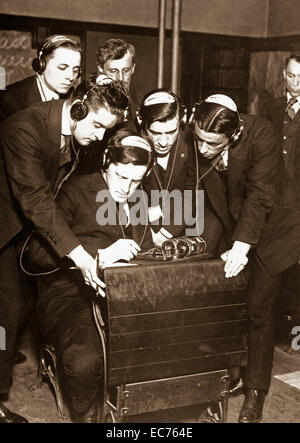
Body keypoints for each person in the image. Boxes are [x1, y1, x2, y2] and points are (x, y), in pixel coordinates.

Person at [0, 75, 128, 423]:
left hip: (16, 231)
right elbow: (36, 199)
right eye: (98, 125)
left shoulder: (71, 133)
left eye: (107, 130)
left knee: (10, 312)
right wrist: (82, 256)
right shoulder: (24, 127)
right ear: (79, 107)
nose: (99, 137)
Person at [191, 94, 300, 423]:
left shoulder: (262, 133)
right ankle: (234, 374)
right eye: (198, 139)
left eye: (212, 144)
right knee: (227, 306)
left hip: (277, 231)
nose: (202, 149)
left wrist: (241, 246)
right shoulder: (197, 136)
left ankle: (256, 393)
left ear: (233, 135)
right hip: (235, 226)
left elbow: (259, 195)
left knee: (258, 311)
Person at [35, 128, 154, 422]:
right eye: (120, 177)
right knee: (85, 362)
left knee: (169, 345)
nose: (127, 189)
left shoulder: (138, 197)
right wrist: (97, 257)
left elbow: (146, 250)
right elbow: (35, 256)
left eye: (136, 181)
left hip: (126, 296)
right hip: (72, 295)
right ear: (106, 163)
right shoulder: (75, 191)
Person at [261, 52, 300, 343]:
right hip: (276, 202)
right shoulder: (271, 108)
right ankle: (278, 328)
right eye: (290, 76)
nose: (295, 83)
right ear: (283, 75)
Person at [137, 88, 196, 246]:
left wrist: (164, 233)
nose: (164, 142)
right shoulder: (132, 144)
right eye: (156, 133)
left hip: (182, 226)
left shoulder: (193, 144)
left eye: (171, 132)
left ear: (181, 122)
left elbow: (193, 195)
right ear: (142, 124)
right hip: (142, 229)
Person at [0, 34, 82, 120]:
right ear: (41, 65)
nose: (71, 77)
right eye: (62, 68)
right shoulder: (8, 100)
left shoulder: (76, 99)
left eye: (75, 70)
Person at [96, 38, 139, 122]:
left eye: (125, 70)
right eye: (113, 71)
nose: (120, 78)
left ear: (133, 68)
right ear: (100, 69)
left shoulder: (140, 103)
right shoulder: (92, 104)